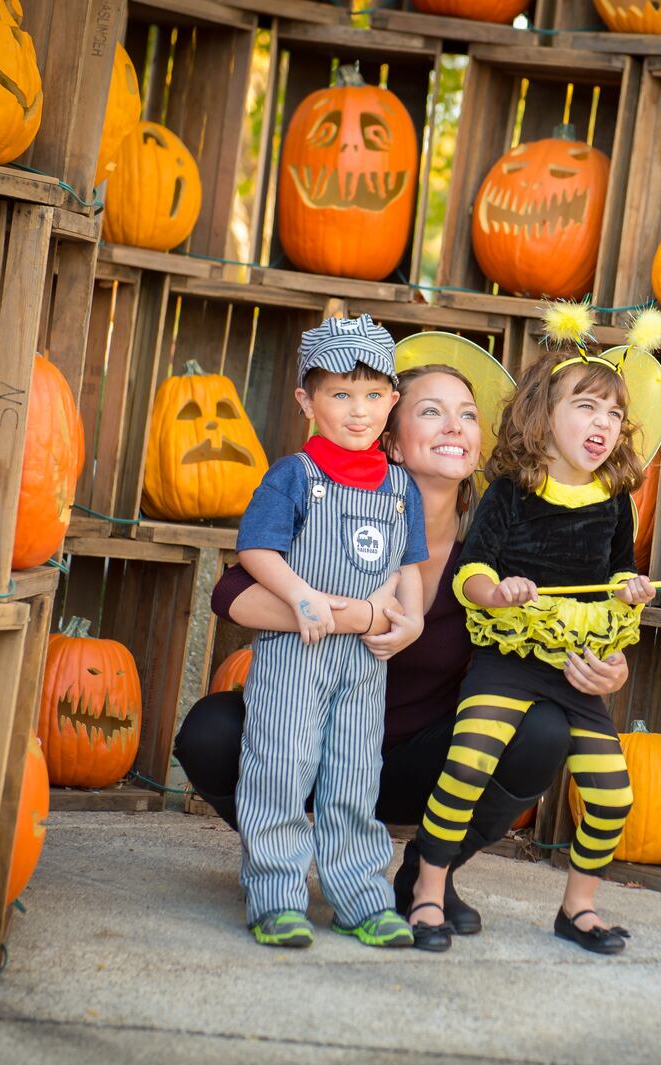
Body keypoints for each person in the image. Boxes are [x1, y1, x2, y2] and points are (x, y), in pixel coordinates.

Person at [174, 337, 633, 952]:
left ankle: (425, 876)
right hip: (308, 740)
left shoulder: (499, 540)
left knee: (542, 730)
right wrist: (361, 615)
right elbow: (232, 592)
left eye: (467, 414)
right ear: (389, 434)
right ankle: (290, 864)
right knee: (210, 730)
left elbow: (569, 611)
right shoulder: (334, 510)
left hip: (427, 762)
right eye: (431, 411)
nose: (455, 427)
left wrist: (609, 666)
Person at [406, 311, 661, 956]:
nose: (603, 424)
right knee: (467, 765)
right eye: (587, 407)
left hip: (576, 670)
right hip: (508, 661)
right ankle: (427, 890)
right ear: (544, 414)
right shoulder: (513, 492)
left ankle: (578, 907)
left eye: (614, 414)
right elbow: (470, 574)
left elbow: (617, 579)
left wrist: (631, 596)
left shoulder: (614, 500)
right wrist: (499, 591)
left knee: (613, 795)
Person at [231, 314, 427, 950]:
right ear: (306, 401)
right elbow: (256, 550)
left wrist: (410, 618)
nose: (358, 410)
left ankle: (360, 897)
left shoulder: (401, 487)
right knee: (281, 768)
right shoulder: (294, 475)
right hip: (298, 653)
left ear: (392, 402)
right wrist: (300, 595)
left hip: (366, 663)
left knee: (352, 776)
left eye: (373, 396)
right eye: (340, 394)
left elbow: (408, 567)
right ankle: (276, 895)